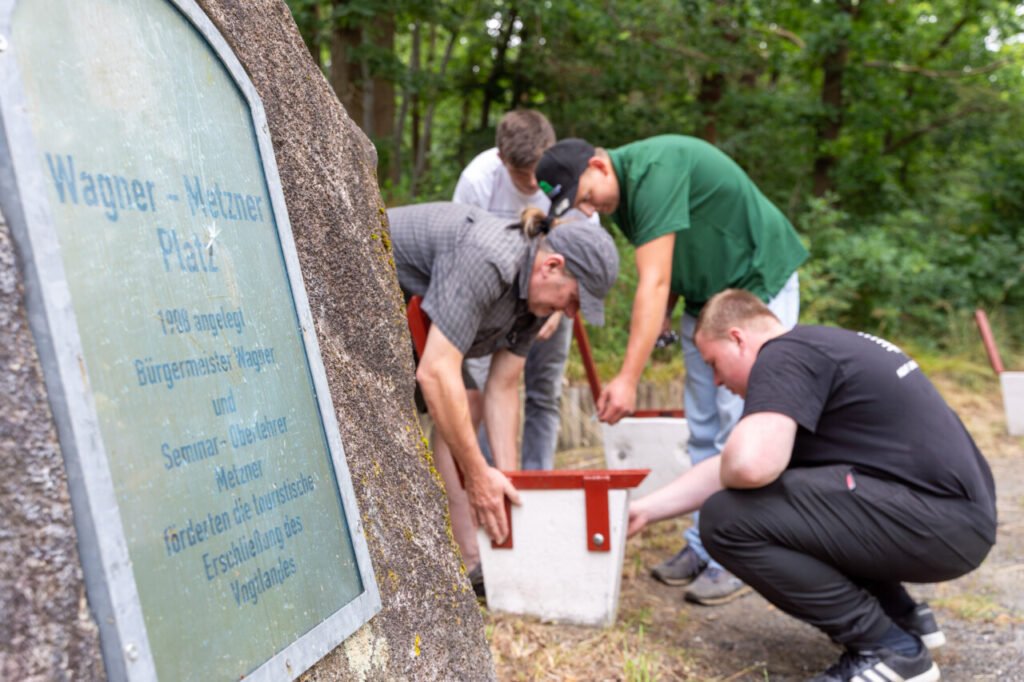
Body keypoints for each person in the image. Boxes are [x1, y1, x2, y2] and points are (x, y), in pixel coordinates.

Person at [627, 289, 996, 682]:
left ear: (737, 338)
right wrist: (644, 511)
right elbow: (741, 467)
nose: (717, 381)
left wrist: (739, 449)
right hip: (953, 521)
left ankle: (890, 650)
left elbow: (750, 466)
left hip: (938, 522)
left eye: (714, 363)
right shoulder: (819, 348)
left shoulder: (782, 354)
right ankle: (902, 618)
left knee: (726, 518)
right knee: (796, 501)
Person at [535, 134, 808, 604]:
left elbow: (655, 279)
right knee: (702, 428)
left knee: (741, 428)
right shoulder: (620, 199)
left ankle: (739, 554)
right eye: (581, 206)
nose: (590, 209)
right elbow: (679, 253)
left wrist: (628, 379)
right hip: (706, 299)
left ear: (598, 166)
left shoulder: (654, 172)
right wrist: (668, 307)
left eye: (586, 197)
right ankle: (706, 542)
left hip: (756, 286)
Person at [387, 201, 619, 592]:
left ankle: (475, 563)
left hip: (415, 320)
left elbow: (503, 387)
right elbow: (436, 372)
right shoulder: (489, 259)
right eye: (574, 300)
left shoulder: (535, 303)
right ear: (552, 266)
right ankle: (468, 555)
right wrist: (479, 477)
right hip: (368, 292)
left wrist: (509, 491)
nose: (568, 313)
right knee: (454, 401)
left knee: (472, 401)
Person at [453, 110, 599, 471]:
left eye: (538, 170)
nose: (534, 182)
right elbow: (460, 250)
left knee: (545, 392)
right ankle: (492, 478)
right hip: (490, 306)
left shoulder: (569, 176)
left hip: (556, 297)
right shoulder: (478, 180)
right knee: (484, 390)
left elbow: (588, 253)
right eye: (521, 174)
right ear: (501, 158)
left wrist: (556, 309)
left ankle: (539, 479)